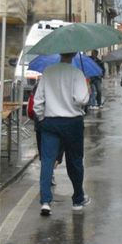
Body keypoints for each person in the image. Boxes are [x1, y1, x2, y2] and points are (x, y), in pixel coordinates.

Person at [33, 52, 91, 216]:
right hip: (72, 122)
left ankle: (45, 201)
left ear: (59, 53)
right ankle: (78, 199)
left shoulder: (48, 72)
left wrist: (42, 118)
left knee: (48, 161)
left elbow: (38, 101)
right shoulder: (77, 73)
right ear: (73, 55)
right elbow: (81, 100)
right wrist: (86, 91)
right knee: (75, 161)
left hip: (50, 122)